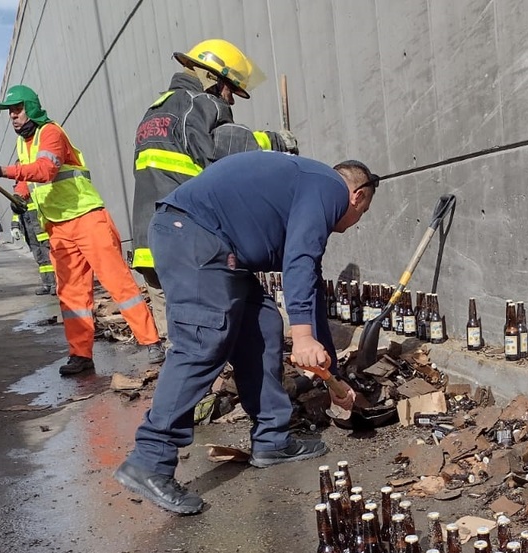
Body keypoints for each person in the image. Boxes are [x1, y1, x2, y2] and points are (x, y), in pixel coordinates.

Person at [114, 154, 379, 515]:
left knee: (262, 324)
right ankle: (150, 459)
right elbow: (299, 258)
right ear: (358, 197)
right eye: (361, 216)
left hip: (215, 245)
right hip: (194, 236)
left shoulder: (304, 183)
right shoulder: (329, 188)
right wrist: (302, 337)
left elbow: (310, 280)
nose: (352, 223)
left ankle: (272, 439)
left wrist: (329, 374)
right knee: (202, 344)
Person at [0, 84, 164, 375]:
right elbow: (28, 177)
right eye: (10, 112)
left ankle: (151, 342)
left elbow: (46, 170)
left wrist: (0, 171)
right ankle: (81, 355)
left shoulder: (50, 133)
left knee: (118, 283)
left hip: (88, 218)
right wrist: (20, 194)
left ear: (31, 108)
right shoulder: (24, 144)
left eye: (17, 110)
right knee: (71, 295)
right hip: (59, 227)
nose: (13, 116)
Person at [130, 39, 298, 341]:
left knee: (179, 341)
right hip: (186, 243)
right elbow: (223, 150)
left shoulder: (155, 112)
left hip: (150, 243)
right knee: (212, 335)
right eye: (230, 89)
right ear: (213, 78)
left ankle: (190, 387)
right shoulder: (201, 103)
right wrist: (275, 143)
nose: (230, 100)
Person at [20, 195, 56, 295]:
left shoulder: (35, 195)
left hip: (42, 234)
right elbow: (17, 216)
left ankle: (54, 285)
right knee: (40, 262)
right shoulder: (19, 199)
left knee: (49, 260)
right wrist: (15, 226)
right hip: (31, 236)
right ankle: (46, 284)